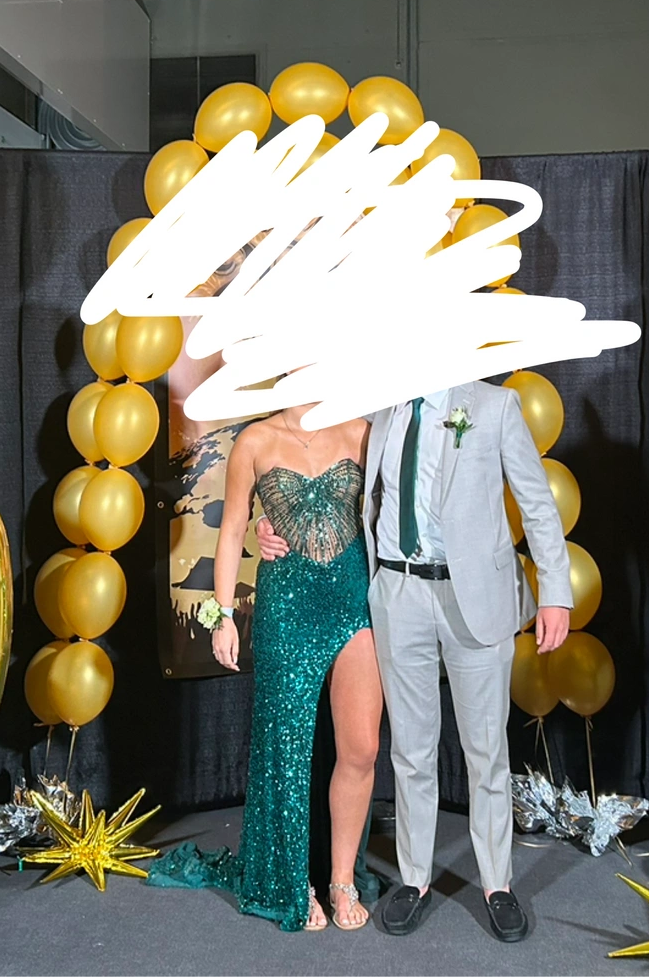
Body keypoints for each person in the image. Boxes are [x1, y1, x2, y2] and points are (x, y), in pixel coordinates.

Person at [258, 382, 571, 942]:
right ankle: (415, 880)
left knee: (486, 752)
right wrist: (272, 525)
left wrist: (555, 593)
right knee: (410, 749)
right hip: (398, 595)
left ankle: (497, 885)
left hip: (474, 597)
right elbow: (335, 491)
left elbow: (537, 504)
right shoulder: (381, 407)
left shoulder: (492, 406)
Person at [148, 404, 382, 933]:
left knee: (362, 748)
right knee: (286, 751)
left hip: (355, 603)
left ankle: (342, 879)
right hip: (287, 608)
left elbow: (385, 512)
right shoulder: (255, 440)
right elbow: (231, 531)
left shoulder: (360, 431)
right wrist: (223, 617)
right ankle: (293, 883)